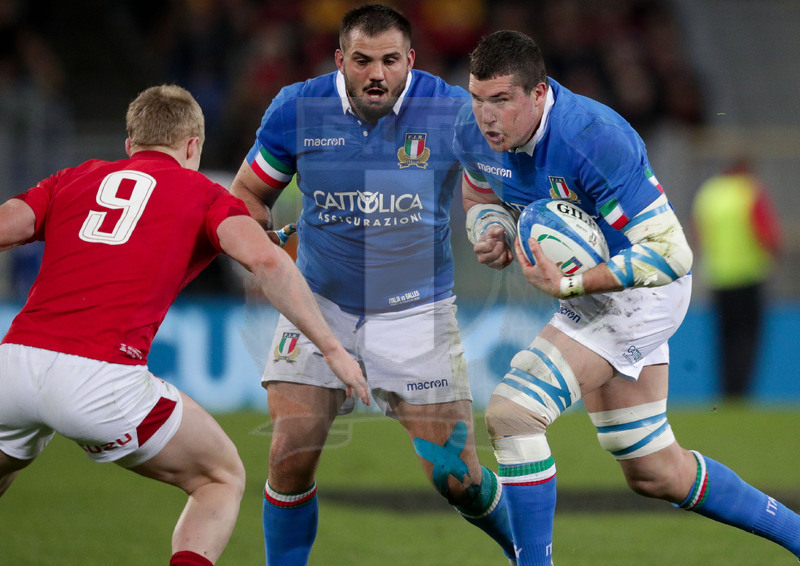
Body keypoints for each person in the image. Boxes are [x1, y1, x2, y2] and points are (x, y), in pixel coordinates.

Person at [453, 30, 800, 565]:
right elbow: (478, 187)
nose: (486, 116)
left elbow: (673, 254)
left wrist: (571, 285)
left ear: (539, 93)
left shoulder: (594, 137)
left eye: (501, 100)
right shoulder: (471, 128)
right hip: (589, 294)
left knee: (514, 415)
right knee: (654, 470)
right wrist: (491, 226)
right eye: (478, 99)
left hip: (643, 291)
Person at [0, 84, 369, 566]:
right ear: (193, 146)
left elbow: (8, 224)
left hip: (14, 365)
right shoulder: (205, 195)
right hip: (99, 376)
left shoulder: (73, 177)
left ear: (130, 145)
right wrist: (333, 349)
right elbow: (267, 264)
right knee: (220, 477)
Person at [229, 5, 515, 565]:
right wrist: (257, 244)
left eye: (390, 61)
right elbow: (247, 195)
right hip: (318, 304)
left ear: (411, 59)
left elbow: (495, 188)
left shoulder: (452, 111)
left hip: (417, 312)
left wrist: (496, 226)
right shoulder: (298, 108)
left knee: (457, 479)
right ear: (340, 60)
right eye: (362, 61)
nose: (377, 74)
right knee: (288, 457)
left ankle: (532, 556)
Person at [692, 157, 783, 401]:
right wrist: (775, 254)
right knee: (748, 338)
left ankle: (726, 391)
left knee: (724, 338)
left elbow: (698, 232)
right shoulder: (749, 191)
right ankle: (741, 393)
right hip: (748, 276)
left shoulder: (709, 193)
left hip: (718, 277)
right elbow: (765, 231)